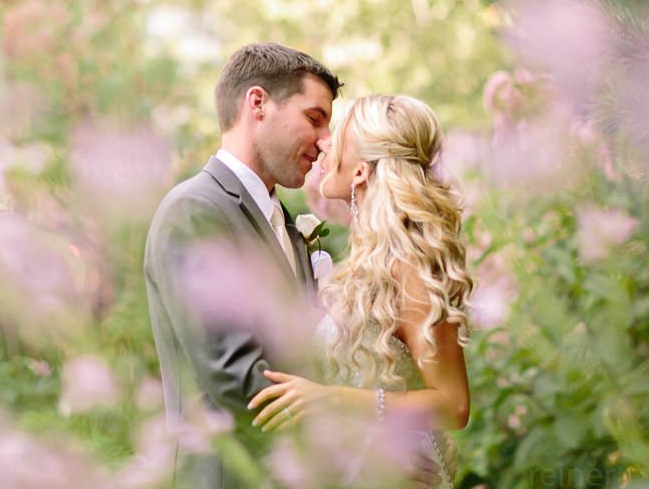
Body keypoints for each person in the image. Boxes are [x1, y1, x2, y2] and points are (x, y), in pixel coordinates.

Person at [248, 94, 473, 488]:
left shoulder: (410, 264)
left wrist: (329, 398)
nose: (324, 143)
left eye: (337, 136)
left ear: (359, 173)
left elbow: (454, 405)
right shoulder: (368, 262)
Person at [143, 42, 341, 488]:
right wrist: (355, 441)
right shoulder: (194, 211)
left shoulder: (285, 221)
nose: (325, 141)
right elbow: (234, 376)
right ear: (258, 104)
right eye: (314, 118)